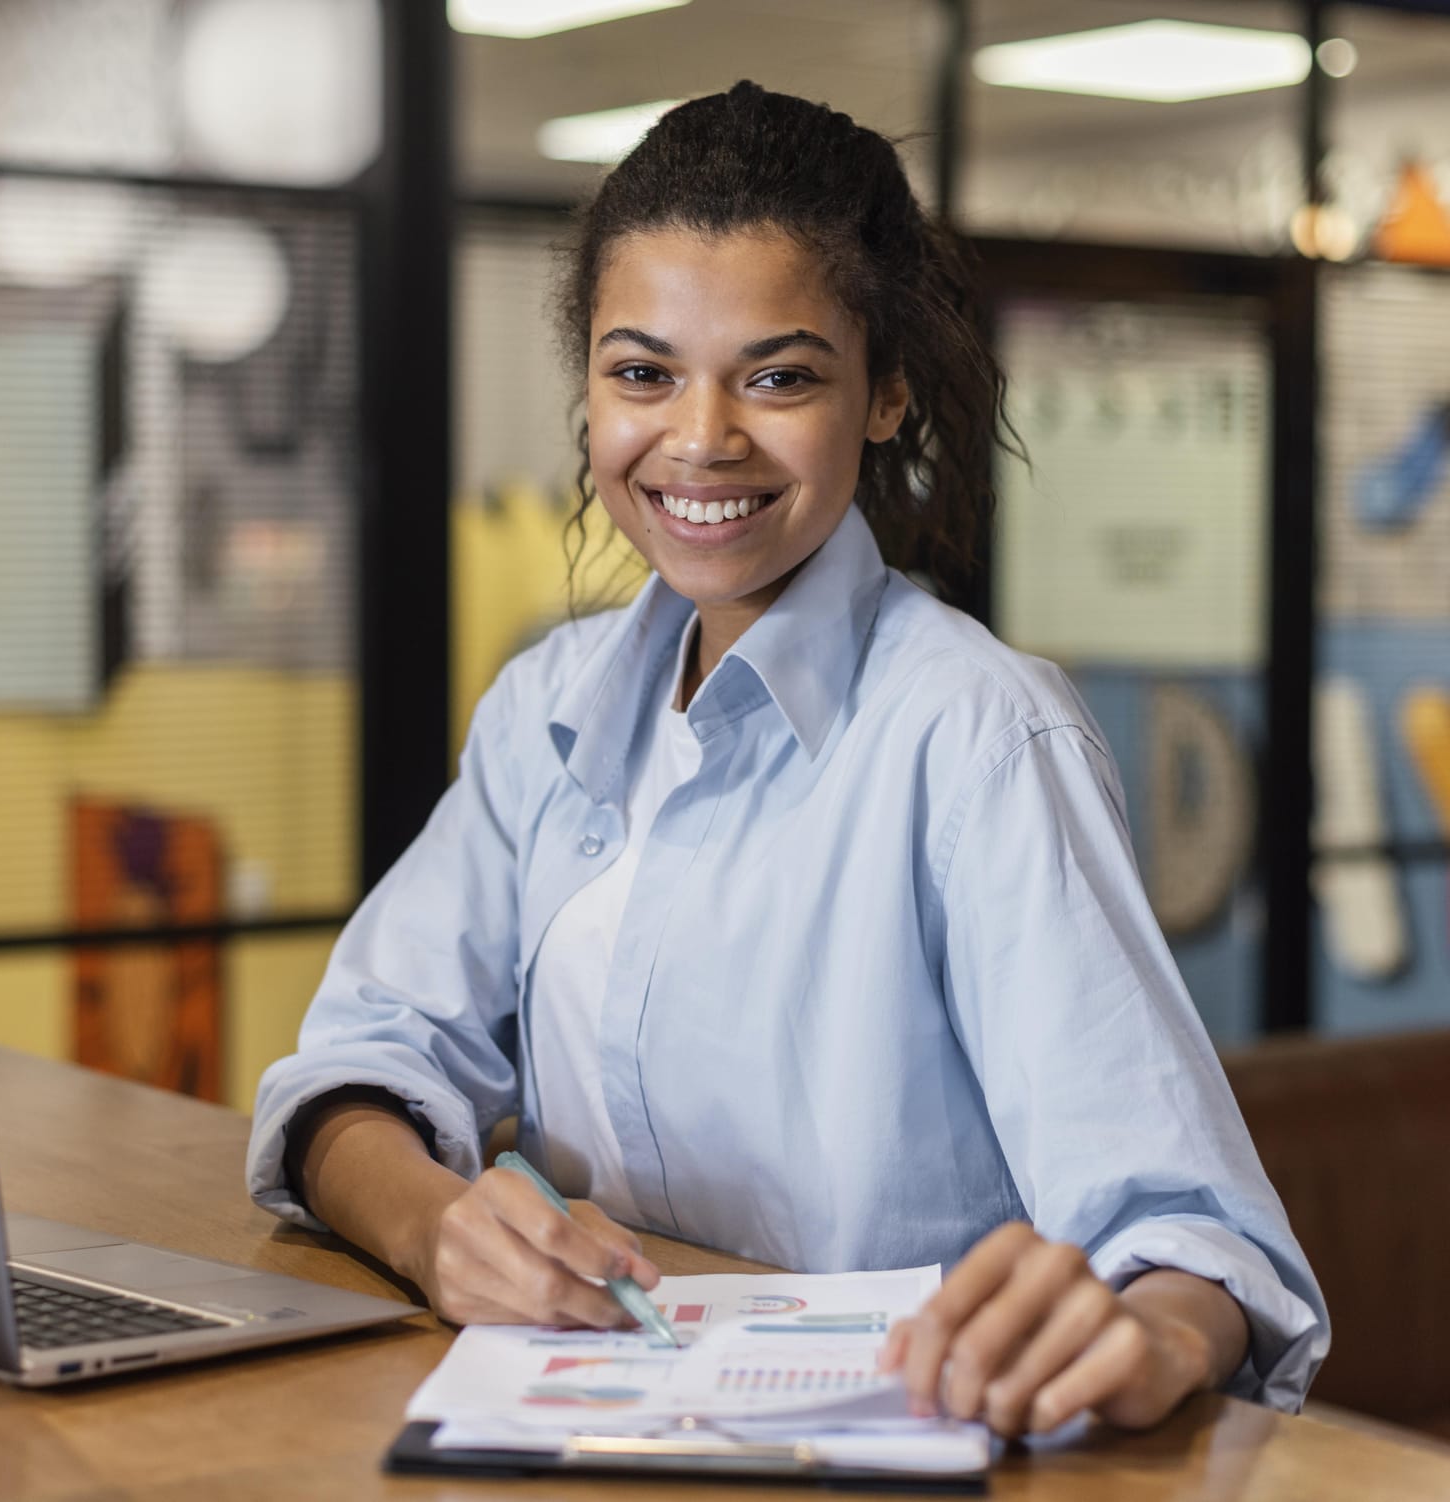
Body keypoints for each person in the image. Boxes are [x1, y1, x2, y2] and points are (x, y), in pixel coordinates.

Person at [246, 82, 1328, 1438]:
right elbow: (353, 1066)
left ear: (882, 397)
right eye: (642, 371)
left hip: (897, 1447)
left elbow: (1194, 1242)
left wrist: (1143, 1328)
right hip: (588, 1425)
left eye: (780, 374)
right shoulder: (547, 710)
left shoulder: (979, 735)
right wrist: (437, 1226)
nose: (701, 437)